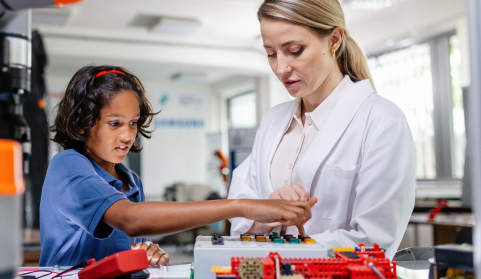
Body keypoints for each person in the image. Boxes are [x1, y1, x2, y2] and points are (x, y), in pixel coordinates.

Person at [39, 65, 314, 268]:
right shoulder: (68, 165)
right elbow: (131, 219)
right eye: (115, 123)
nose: (127, 135)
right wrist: (241, 205)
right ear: (81, 124)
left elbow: (128, 246)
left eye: (133, 123)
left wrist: (145, 253)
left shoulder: (130, 180)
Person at [228, 0, 415, 258]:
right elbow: (243, 220)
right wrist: (266, 214)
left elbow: (374, 239)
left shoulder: (382, 120)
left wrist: (289, 253)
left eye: (294, 51)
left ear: (335, 40)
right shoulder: (273, 121)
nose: (281, 68)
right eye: (271, 54)